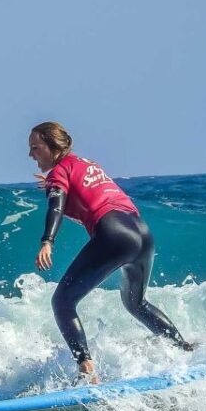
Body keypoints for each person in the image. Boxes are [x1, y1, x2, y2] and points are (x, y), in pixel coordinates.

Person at [28, 121, 193, 385]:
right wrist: (56, 181)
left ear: (52, 146)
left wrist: (47, 240)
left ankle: (87, 370)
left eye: (35, 148)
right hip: (142, 233)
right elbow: (90, 197)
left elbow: (55, 207)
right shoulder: (87, 164)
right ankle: (183, 348)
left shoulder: (59, 172)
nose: (31, 154)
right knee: (136, 303)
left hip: (114, 235)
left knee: (62, 302)